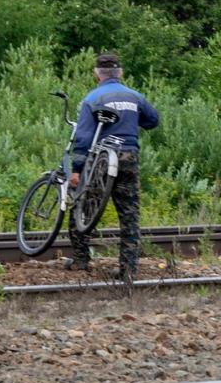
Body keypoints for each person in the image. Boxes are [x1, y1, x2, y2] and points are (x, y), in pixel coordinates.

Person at [64, 52, 160, 281]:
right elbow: (153, 120)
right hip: (129, 157)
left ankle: (80, 259)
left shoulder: (93, 98)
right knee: (129, 214)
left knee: (82, 206)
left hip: (101, 161)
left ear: (97, 74)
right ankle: (128, 270)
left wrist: (76, 169)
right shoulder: (134, 96)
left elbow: (84, 137)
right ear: (121, 73)